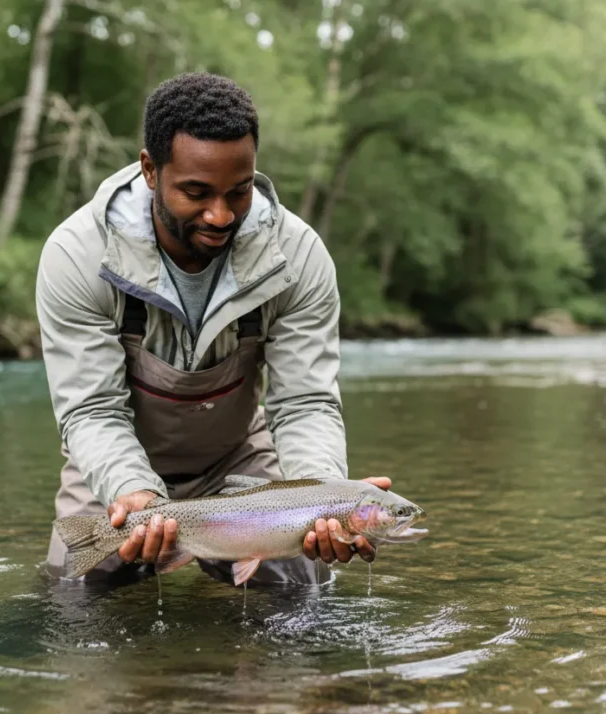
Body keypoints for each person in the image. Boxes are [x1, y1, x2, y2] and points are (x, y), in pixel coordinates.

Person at [36, 71, 391, 585]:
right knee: (69, 609)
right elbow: (92, 410)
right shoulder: (77, 256)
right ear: (150, 170)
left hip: (241, 468)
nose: (221, 215)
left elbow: (304, 403)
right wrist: (134, 491)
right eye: (196, 192)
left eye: (239, 191)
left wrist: (326, 496)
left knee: (305, 598)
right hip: (109, 471)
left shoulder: (297, 257)